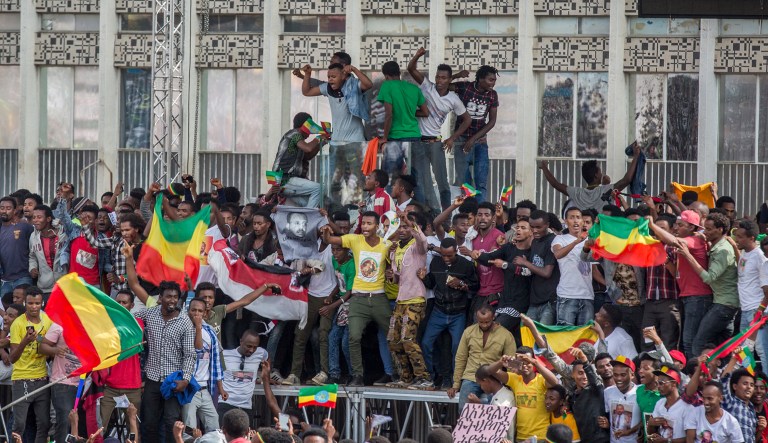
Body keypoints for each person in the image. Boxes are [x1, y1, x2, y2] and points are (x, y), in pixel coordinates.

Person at [126, 244, 196, 443]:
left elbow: (190, 354)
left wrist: (186, 379)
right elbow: (128, 317)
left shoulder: (185, 322)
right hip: (153, 379)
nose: (172, 299)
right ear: (161, 298)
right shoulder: (151, 313)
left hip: (174, 381)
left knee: (171, 421)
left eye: (175, 296)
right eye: (168, 296)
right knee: (148, 422)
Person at [321, 211, 392, 387]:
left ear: (377, 226)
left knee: (392, 336)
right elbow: (330, 240)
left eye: (369, 224)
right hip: (358, 299)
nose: (366, 227)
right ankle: (357, 375)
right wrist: (325, 231)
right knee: (353, 337)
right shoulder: (355, 239)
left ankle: (397, 374)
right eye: (364, 223)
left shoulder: (386, 243)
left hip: (379, 298)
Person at [406, 47, 471, 212]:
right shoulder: (427, 86)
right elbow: (411, 69)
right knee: (419, 181)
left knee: (442, 182)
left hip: (435, 143)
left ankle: (446, 215)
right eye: (437, 76)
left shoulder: (453, 99)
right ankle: (424, 214)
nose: (439, 80)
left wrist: (452, 138)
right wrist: (417, 55)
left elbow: (467, 120)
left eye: (443, 78)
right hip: (418, 142)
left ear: (449, 80)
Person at [648, 211, 712, 358]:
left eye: (680, 225)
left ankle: (694, 373)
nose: (676, 228)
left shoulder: (694, 240)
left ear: (691, 227)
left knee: (689, 341)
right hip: (689, 296)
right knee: (686, 341)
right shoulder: (690, 240)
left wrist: (652, 225)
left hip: (697, 297)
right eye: (676, 224)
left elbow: (674, 241)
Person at [419, 237, 478, 390]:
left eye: (449, 255)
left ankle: (455, 380)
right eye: (444, 255)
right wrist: (424, 278)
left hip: (458, 313)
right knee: (425, 343)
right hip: (438, 311)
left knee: (457, 347)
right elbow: (431, 283)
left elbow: (476, 286)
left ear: (456, 251)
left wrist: (462, 284)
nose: (446, 258)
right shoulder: (436, 262)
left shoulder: (466, 265)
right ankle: (432, 376)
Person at [678, 213, 739, 357]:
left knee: (697, 343)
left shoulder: (722, 251)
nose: (705, 232)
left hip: (724, 305)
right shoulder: (718, 245)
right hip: (724, 303)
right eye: (705, 228)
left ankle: (698, 373)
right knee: (720, 345)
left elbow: (709, 277)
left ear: (720, 230)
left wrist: (688, 255)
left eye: (709, 229)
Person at [386, 212, 431, 389]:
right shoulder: (396, 248)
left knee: (408, 338)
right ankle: (406, 377)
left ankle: (424, 378)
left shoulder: (417, 246)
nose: (402, 230)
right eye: (400, 227)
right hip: (401, 299)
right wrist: (392, 276)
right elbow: (398, 278)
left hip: (416, 298)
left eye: (405, 226)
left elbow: (423, 240)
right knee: (393, 339)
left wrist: (408, 221)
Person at [473, 216, 533, 344]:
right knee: (481, 329)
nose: (518, 230)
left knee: (496, 332)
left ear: (531, 232)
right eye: (517, 227)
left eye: (523, 228)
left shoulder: (532, 252)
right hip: (504, 301)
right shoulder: (509, 248)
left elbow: (529, 272)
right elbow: (490, 259)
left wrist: (506, 265)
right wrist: (477, 255)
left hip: (520, 304)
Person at [449, 303, 516, 411]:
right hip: (471, 376)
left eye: (487, 322)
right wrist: (456, 384)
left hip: (493, 378)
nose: (484, 325)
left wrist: (511, 385)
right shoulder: (468, 332)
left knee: (495, 409)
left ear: (493, 317)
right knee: (464, 409)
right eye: (481, 322)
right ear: (476, 317)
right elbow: (461, 358)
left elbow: (511, 363)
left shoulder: (506, 335)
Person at [538, 143, 642, 213]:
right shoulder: (606, 190)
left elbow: (555, 184)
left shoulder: (577, 193)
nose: (602, 174)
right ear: (596, 175)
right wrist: (636, 156)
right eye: (600, 172)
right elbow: (627, 179)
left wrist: (544, 168)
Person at [488, 346, 560, 442]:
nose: (525, 366)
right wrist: (501, 362)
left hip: (540, 438)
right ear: (516, 364)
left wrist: (535, 362)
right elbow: (490, 371)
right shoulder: (515, 379)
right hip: (520, 438)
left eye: (528, 362)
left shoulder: (541, 380)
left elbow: (555, 382)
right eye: (521, 363)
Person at [9, 287, 52, 443]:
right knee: (19, 424)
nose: (34, 307)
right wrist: (25, 341)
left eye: (37, 303)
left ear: (42, 303)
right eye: (30, 303)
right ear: (25, 303)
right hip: (22, 380)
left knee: (44, 424)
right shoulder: (17, 324)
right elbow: (12, 358)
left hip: (42, 379)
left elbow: (47, 341)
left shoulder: (47, 320)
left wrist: (42, 342)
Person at [97, 290, 143, 435]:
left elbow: (127, 339)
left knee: (133, 429)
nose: (121, 305)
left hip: (132, 387)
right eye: (118, 302)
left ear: (132, 305)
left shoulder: (138, 324)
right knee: (99, 428)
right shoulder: (106, 324)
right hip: (109, 386)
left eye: (125, 302)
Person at [376, 60, 429, 189]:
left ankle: (387, 206)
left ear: (386, 76)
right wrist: (409, 112)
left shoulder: (387, 86)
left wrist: (384, 138)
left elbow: (389, 114)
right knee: (416, 177)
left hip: (396, 138)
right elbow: (425, 112)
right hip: (414, 136)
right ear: (398, 73)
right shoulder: (413, 88)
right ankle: (418, 207)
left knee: (388, 177)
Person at [451, 66, 499, 203]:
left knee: (481, 180)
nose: (493, 83)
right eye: (490, 80)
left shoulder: (492, 95)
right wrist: (457, 75)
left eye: (494, 80)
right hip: (461, 139)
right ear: (480, 79)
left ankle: (480, 210)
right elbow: (443, 85)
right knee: (465, 181)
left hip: (480, 141)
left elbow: (492, 121)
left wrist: (474, 139)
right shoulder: (465, 87)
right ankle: (468, 209)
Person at [183, 298, 224, 433]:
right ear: (188, 311)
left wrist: (221, 389)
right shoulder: (185, 329)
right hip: (190, 388)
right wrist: (198, 327)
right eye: (193, 310)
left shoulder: (210, 331)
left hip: (205, 388)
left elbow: (216, 363)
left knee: (214, 426)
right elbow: (198, 349)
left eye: (200, 311)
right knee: (190, 429)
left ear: (205, 314)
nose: (196, 313)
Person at [641, 212, 680, 351]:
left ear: (671, 230)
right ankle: (647, 368)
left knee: (668, 339)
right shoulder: (648, 247)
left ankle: (666, 368)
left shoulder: (675, 247)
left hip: (669, 301)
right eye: (655, 228)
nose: (658, 231)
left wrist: (667, 261)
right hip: (650, 301)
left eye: (662, 228)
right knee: (647, 340)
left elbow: (678, 274)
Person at [39, 319, 83, 443]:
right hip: (61, 382)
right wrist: (55, 350)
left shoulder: (90, 325)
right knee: (64, 420)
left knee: (77, 422)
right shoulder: (59, 325)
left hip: (83, 382)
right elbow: (42, 346)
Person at [731, 219, 768, 363]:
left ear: (751, 238)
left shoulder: (760, 257)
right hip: (745, 309)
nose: (737, 239)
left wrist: (760, 311)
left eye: (740, 237)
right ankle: (748, 381)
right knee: (744, 352)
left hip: (755, 311)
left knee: (761, 350)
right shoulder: (745, 254)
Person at [272, 112, 325, 208]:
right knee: (319, 188)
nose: (310, 133)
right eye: (310, 129)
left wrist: (322, 143)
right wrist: (318, 138)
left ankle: (308, 217)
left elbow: (308, 156)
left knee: (310, 205)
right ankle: (309, 217)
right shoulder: (294, 134)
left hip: (283, 182)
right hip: (284, 179)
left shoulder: (297, 141)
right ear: (305, 126)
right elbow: (308, 148)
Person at [517, 210, 560, 325]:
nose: (535, 230)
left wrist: (525, 263)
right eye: (532, 227)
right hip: (535, 299)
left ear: (547, 225)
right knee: (526, 333)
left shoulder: (553, 241)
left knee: (542, 338)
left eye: (538, 227)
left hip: (549, 301)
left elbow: (547, 272)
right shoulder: (535, 241)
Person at [218, 330, 268, 428]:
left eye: (255, 347)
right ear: (241, 342)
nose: (252, 350)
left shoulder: (260, 353)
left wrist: (266, 375)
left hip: (245, 407)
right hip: (226, 404)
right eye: (249, 346)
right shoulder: (224, 355)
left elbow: (267, 360)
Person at [553, 207, 594, 325]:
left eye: (578, 217)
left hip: (587, 295)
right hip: (567, 295)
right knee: (565, 336)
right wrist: (577, 241)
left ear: (582, 221)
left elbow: (594, 266)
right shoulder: (560, 239)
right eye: (572, 218)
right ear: (566, 221)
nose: (575, 221)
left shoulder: (590, 240)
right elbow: (558, 254)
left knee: (585, 338)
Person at [463, 202, 505, 314]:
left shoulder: (499, 236)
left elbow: (490, 261)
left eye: (486, 215)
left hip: (496, 292)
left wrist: (470, 253)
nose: (483, 218)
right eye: (480, 215)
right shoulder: (472, 236)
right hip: (479, 291)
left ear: (493, 218)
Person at [598, 356, 641, 443]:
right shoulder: (607, 392)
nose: (619, 379)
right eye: (616, 375)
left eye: (623, 375)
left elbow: (646, 419)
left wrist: (632, 431)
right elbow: (610, 417)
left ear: (632, 375)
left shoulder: (640, 393)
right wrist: (607, 424)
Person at [0, 196, 35, 302]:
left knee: (24, 311)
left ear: (15, 210)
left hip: (22, 277)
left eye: (8, 208)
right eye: (2, 208)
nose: (4, 211)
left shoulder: (24, 227)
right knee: (7, 313)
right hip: (4, 280)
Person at [28, 204, 67, 296]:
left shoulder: (63, 234)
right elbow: (32, 256)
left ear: (48, 219)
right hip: (45, 287)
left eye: (39, 217)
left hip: (64, 285)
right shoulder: (33, 237)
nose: (35, 220)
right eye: (34, 217)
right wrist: (32, 268)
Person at [471, 364, 516, 441]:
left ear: (486, 380)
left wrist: (479, 409)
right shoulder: (505, 394)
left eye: (480, 384)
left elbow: (496, 433)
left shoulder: (500, 403)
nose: (481, 388)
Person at [646, 365, 691, 443]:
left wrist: (666, 441)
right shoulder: (660, 403)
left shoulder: (686, 407)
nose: (658, 387)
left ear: (673, 384)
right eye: (657, 383)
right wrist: (650, 424)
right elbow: (651, 433)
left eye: (661, 383)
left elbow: (690, 439)